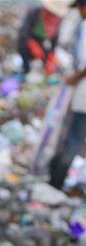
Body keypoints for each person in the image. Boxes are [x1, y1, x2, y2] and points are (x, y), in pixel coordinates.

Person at [49, 0, 86, 189]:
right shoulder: (82, 25)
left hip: (83, 99)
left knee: (73, 141)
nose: (79, 12)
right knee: (69, 138)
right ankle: (55, 176)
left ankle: (56, 182)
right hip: (80, 97)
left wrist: (75, 77)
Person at [17, 0, 72, 75]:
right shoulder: (34, 12)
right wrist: (32, 44)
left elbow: (55, 37)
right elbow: (24, 31)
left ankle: (44, 70)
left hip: (41, 41)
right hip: (27, 41)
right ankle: (26, 70)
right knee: (26, 57)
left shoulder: (57, 19)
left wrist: (52, 53)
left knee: (45, 56)